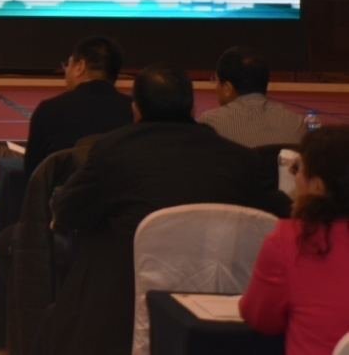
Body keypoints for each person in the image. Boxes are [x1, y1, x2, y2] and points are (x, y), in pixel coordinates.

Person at [41, 63, 291, 355]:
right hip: (225, 309)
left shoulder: (113, 150)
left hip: (121, 315)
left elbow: (67, 212)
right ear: (192, 108)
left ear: (136, 109)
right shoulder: (240, 159)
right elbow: (282, 217)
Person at [240, 125, 349, 355]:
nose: (294, 176)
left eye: (298, 169)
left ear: (317, 186)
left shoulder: (291, 240)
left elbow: (260, 318)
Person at [23, 35, 133, 176]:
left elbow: (33, 173)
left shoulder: (49, 110)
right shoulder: (136, 109)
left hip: (63, 190)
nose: (66, 70)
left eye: (68, 64)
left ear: (80, 67)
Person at [198, 46, 305, 147]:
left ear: (227, 88)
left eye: (215, 80)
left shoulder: (210, 123)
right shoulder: (296, 122)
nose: (215, 86)